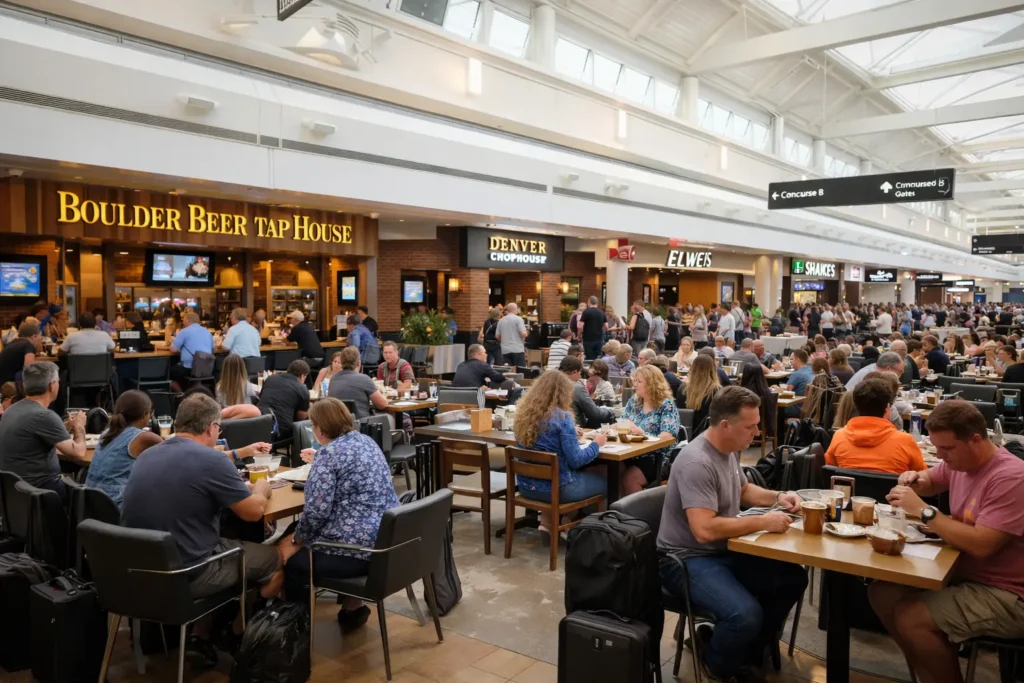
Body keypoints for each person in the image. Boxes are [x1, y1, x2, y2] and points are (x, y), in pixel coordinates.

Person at [658, 386, 807, 683]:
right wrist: (763, 522)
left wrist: (780, 496)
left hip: (721, 549)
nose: (757, 433)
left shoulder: (727, 450)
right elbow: (704, 530)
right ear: (725, 425)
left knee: (792, 579)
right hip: (684, 559)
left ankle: (740, 651)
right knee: (744, 614)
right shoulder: (697, 461)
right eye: (750, 426)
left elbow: (743, 490)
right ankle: (717, 665)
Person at [870, 400, 1024, 683]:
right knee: (882, 593)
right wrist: (916, 478)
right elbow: (932, 479)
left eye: (946, 449)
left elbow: (982, 545)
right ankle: (928, 671)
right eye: (936, 447)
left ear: (975, 440)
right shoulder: (959, 462)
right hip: (964, 572)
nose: (940, 455)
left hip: (1009, 594)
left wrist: (925, 511)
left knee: (910, 617)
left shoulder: (1011, 477)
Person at [120, 393, 279, 665]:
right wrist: (262, 487)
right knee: (275, 560)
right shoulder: (211, 460)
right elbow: (253, 512)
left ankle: (201, 634)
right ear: (211, 428)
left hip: (137, 572)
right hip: (187, 574)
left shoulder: (146, 456)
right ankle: (237, 633)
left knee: (213, 539)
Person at [279, 398, 399, 629]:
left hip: (356, 553)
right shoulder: (365, 441)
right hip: (385, 541)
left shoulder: (328, 455)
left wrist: (295, 541)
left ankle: (294, 631)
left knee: (292, 560)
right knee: (294, 534)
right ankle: (353, 608)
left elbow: (315, 512)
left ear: (320, 429)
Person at [513, 371, 607, 532]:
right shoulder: (562, 418)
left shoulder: (524, 416)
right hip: (557, 489)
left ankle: (552, 523)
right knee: (606, 483)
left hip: (526, 486)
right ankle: (579, 530)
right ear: (564, 393)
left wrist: (571, 433)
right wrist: (596, 444)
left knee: (568, 475)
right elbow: (576, 460)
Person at [0, 362, 87, 505]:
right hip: (42, 493)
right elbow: (79, 453)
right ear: (52, 386)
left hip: (14, 493)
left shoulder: (12, 410)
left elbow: (35, 435)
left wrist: (64, 427)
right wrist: (79, 426)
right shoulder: (43, 415)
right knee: (90, 493)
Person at [824, 377, 925, 474]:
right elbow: (923, 479)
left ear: (857, 407)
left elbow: (829, 472)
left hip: (849, 491)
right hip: (891, 491)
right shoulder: (906, 441)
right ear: (887, 408)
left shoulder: (839, 437)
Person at [84, 390, 162, 506]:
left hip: (90, 504)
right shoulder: (144, 437)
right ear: (145, 414)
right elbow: (173, 452)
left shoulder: (106, 433)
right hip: (115, 506)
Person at [620, 365, 680, 494]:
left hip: (655, 457)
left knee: (630, 478)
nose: (635, 384)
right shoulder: (634, 402)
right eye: (634, 380)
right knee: (609, 469)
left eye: (639, 381)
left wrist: (643, 435)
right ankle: (611, 510)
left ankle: (634, 513)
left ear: (652, 384)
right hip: (630, 452)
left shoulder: (666, 405)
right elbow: (623, 422)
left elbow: (667, 436)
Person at [326, 347, 389, 420]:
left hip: (339, 424)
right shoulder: (364, 379)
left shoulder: (333, 379)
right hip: (360, 424)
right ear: (358, 362)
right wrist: (383, 394)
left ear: (342, 362)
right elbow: (382, 404)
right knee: (389, 417)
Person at [259, 359, 310, 440]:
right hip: (281, 431)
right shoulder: (302, 389)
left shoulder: (270, 379)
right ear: (303, 376)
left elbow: (261, 398)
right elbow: (301, 418)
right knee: (304, 425)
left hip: (259, 423)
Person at [561, 356, 615, 429]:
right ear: (575, 372)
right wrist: (611, 412)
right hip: (574, 429)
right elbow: (594, 413)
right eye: (580, 372)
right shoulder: (577, 388)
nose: (580, 375)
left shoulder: (548, 383)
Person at [169, 311, 215, 389]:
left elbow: (173, 349)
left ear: (187, 321)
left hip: (189, 368)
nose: (182, 322)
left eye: (183, 320)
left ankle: (181, 394)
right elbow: (213, 348)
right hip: (207, 369)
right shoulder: (207, 332)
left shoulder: (184, 331)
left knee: (170, 371)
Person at [678, 353, 719, 438]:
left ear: (692, 369)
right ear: (713, 369)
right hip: (707, 436)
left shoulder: (683, 388)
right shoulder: (716, 391)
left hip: (685, 435)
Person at [216, 353, 261, 419]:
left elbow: (219, 405)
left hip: (228, 420)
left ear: (224, 369)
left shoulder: (219, 387)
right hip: (247, 420)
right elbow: (255, 396)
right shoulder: (247, 385)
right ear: (242, 368)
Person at [496, 302, 528, 367]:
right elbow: (523, 334)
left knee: (508, 371)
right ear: (515, 309)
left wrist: (504, 340)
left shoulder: (501, 320)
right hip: (517, 349)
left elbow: (497, 336)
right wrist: (526, 333)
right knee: (520, 371)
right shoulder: (518, 319)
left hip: (505, 350)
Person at [580, 296, 607, 360]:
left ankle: (590, 369)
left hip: (588, 339)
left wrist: (579, 334)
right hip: (599, 338)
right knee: (598, 357)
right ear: (597, 303)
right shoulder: (602, 312)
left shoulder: (586, 312)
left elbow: (580, 326)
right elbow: (606, 326)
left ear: (589, 302)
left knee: (589, 357)